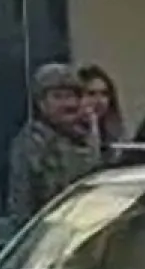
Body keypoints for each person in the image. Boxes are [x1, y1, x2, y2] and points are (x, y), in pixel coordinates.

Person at [6, 63, 99, 225]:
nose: (68, 104)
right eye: (58, 97)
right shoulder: (32, 143)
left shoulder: (87, 136)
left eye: (71, 96)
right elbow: (22, 205)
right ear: (41, 103)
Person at [79, 64, 124, 161]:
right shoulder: (70, 134)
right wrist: (93, 128)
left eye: (104, 94)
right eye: (91, 94)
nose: (99, 101)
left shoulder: (115, 131)